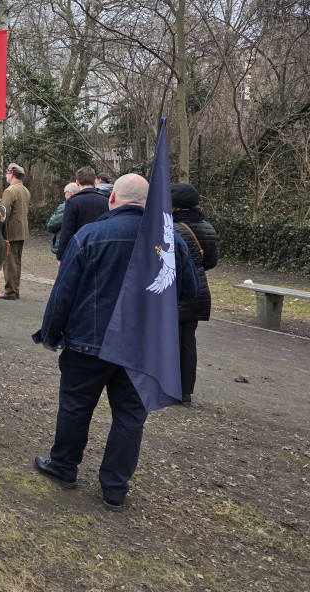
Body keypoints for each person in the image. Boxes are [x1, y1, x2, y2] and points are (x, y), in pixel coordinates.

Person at [32, 175, 198, 512]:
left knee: (76, 406)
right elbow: (189, 290)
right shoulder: (169, 241)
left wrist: (50, 334)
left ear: (112, 200)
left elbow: (63, 292)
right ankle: (115, 488)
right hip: (141, 344)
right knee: (130, 416)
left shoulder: (90, 235)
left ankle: (64, 467)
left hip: (87, 342)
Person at [170, 183, 218, 407]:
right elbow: (210, 262)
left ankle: (169, 386)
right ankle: (185, 392)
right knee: (188, 340)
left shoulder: (170, 228)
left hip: (174, 291)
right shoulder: (207, 227)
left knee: (171, 339)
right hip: (199, 290)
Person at [57, 166, 109, 262]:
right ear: (94, 182)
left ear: (77, 182)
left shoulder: (72, 202)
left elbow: (67, 230)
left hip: (78, 249)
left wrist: (61, 256)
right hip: (101, 250)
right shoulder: (105, 201)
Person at [0, 163, 30, 300]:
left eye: (7, 173)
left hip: (10, 230)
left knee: (9, 261)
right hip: (21, 229)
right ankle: (15, 289)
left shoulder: (10, 191)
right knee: (16, 261)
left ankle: (10, 291)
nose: (6, 176)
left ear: (11, 174)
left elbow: (3, 212)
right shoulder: (24, 189)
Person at [48, 183, 80, 257]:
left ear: (69, 193)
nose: (64, 195)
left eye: (65, 193)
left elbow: (52, 224)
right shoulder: (82, 203)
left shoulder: (65, 206)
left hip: (65, 243)